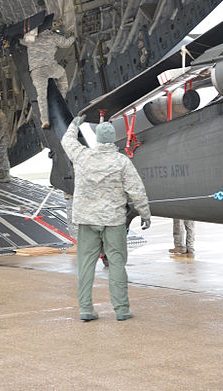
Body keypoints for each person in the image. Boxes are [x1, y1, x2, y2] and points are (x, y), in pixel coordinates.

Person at [61, 116, 151, 322]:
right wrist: (144, 213)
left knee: (85, 264)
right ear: (112, 140)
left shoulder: (83, 156)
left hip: (87, 220)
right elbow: (136, 190)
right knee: (117, 263)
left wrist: (74, 125)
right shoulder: (122, 162)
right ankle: (121, 309)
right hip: (113, 221)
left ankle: (85, 308)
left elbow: (67, 141)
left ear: (98, 139)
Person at [20, 24, 75, 128]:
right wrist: (73, 36)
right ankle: (61, 98)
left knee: (41, 96)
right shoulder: (52, 37)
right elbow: (66, 43)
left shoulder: (30, 39)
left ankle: (45, 121)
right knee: (62, 74)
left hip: (36, 71)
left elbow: (20, 41)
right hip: (50, 67)